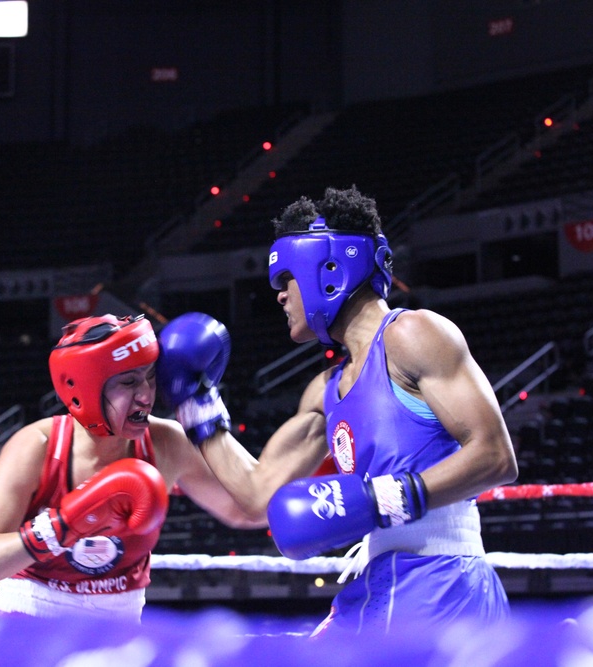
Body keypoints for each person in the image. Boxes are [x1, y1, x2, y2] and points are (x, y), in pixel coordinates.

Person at [156, 185, 519, 637]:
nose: (280, 297)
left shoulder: (414, 334)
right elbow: (255, 495)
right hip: (377, 582)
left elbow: (496, 457)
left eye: (286, 280)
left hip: (443, 582)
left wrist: (382, 499)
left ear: (327, 269)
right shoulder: (325, 390)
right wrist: (195, 404)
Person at [0, 313, 261, 622]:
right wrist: (63, 525)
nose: (146, 395)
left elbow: (248, 510)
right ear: (85, 388)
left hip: (118, 633)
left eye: (151, 376)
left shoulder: (166, 443)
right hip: (26, 626)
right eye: (129, 382)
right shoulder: (38, 447)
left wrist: (201, 410)